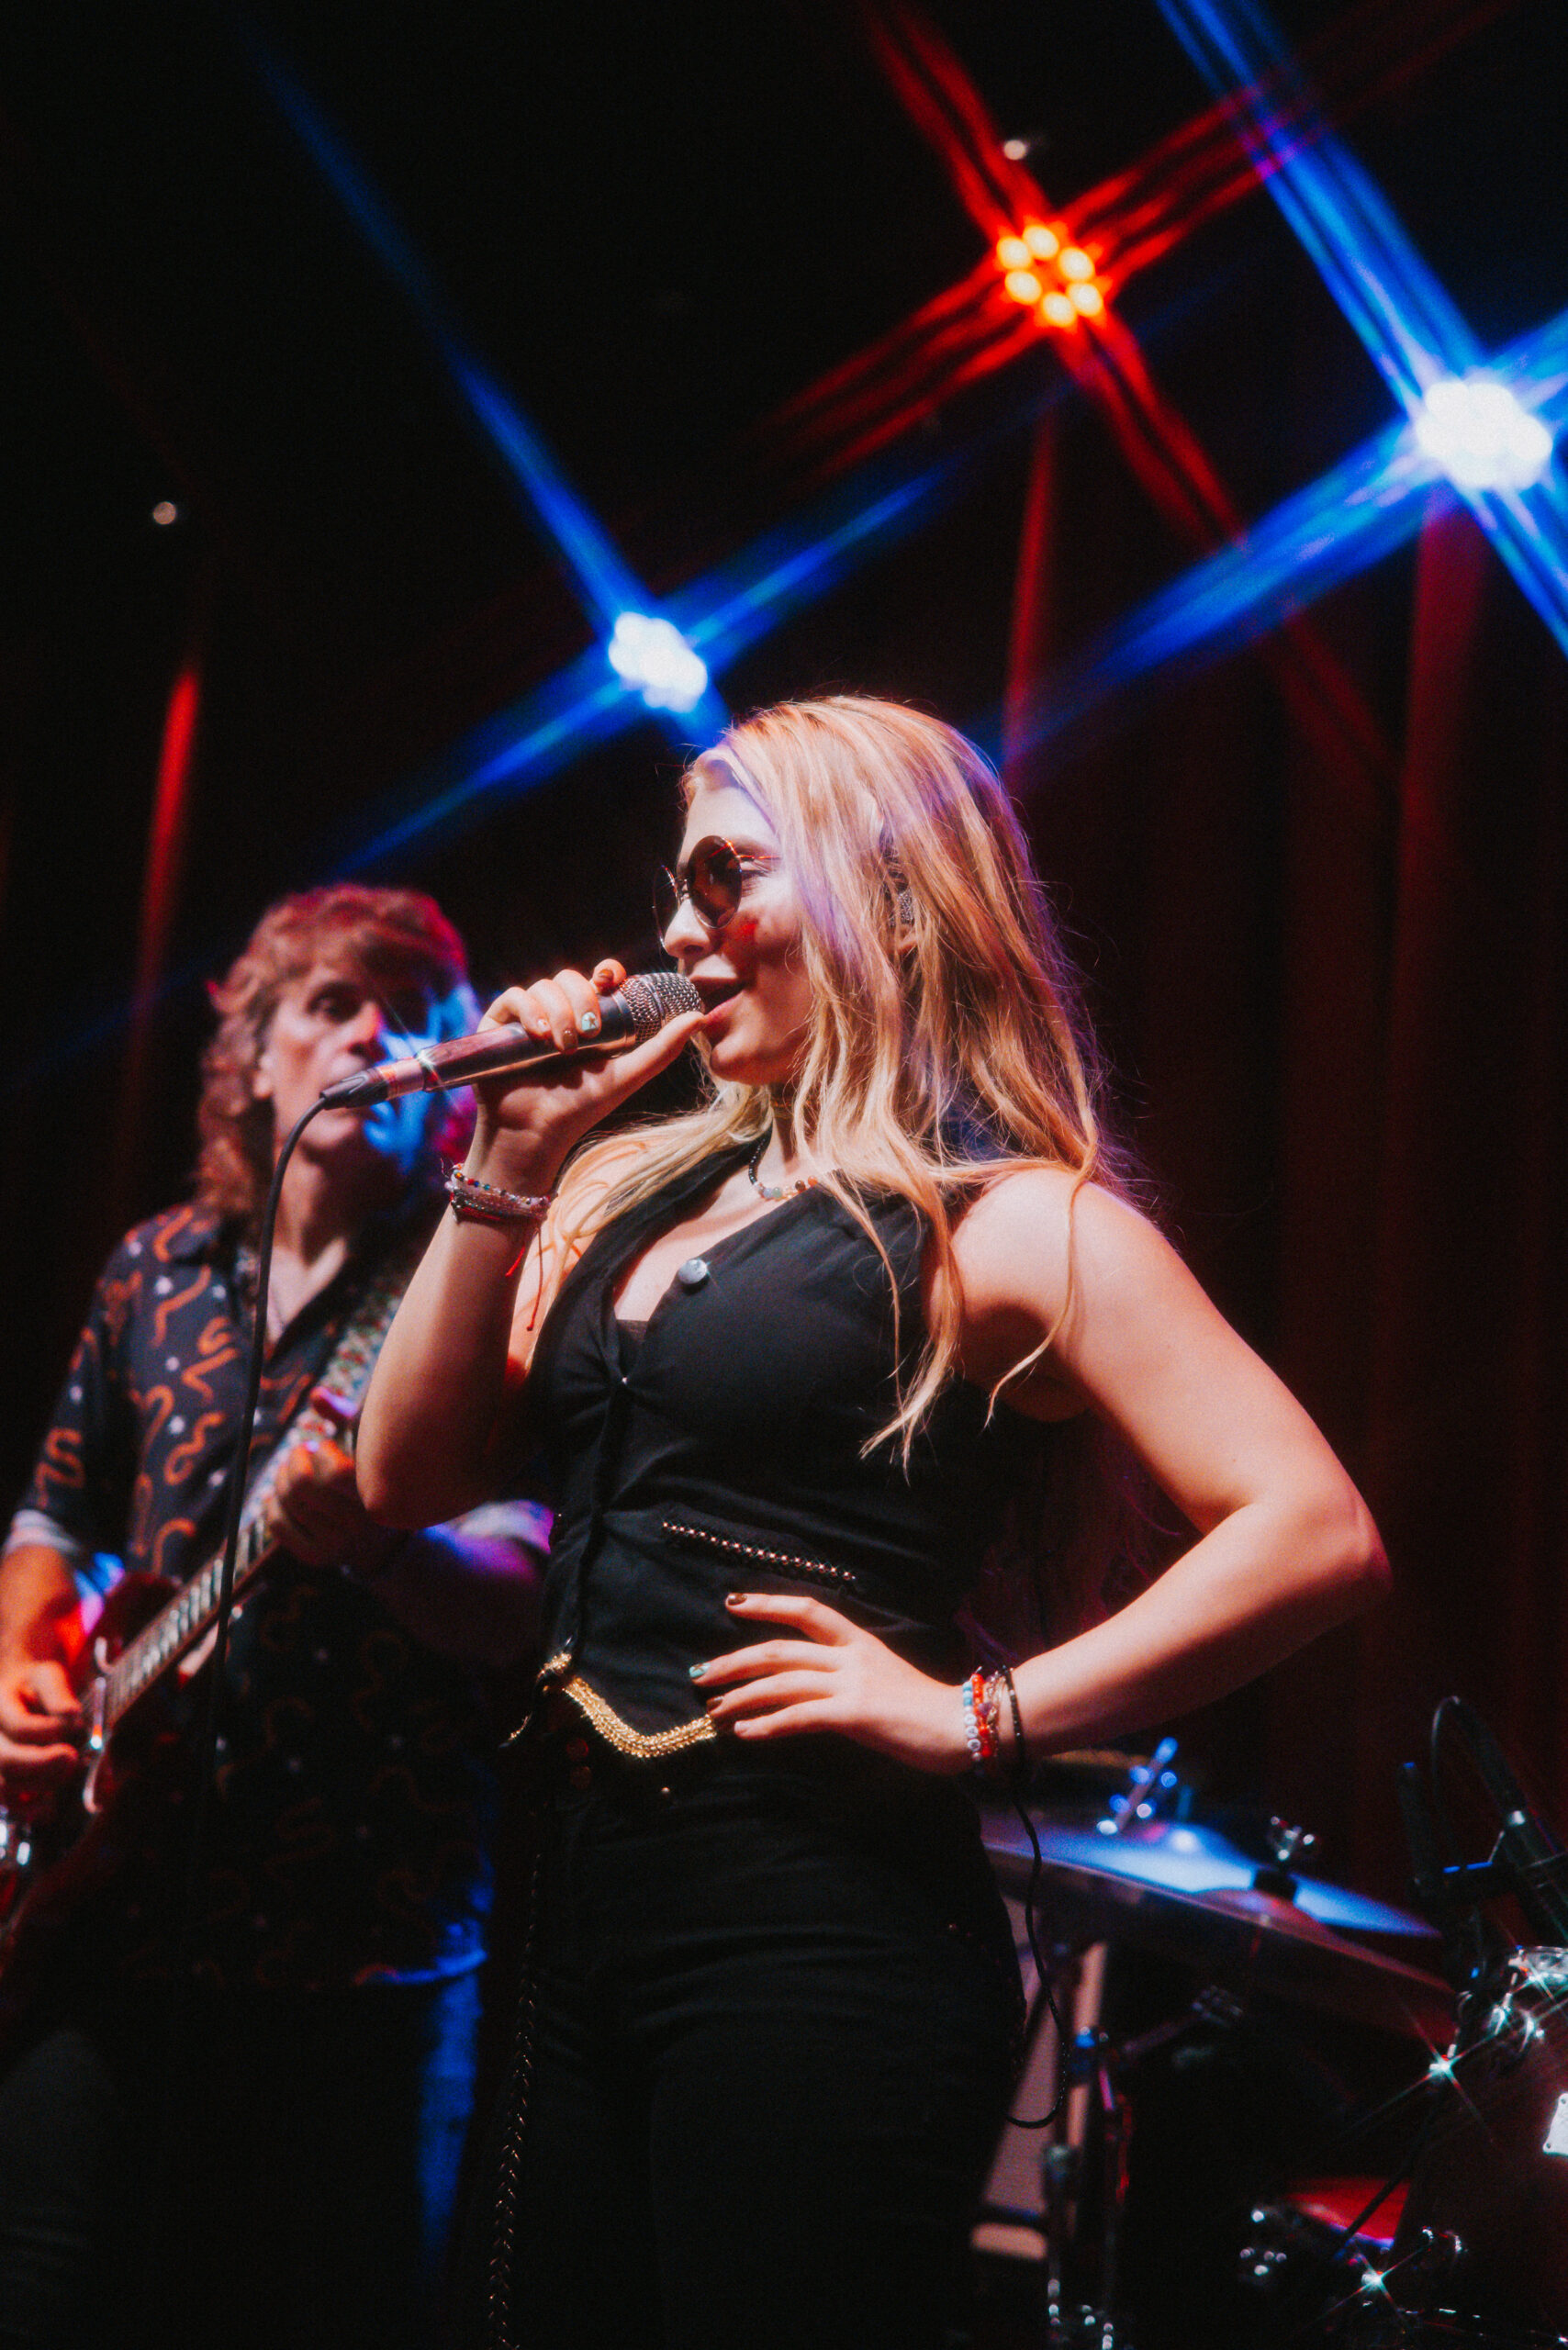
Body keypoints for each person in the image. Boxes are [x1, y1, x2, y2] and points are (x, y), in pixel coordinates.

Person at [356, 697, 1389, 2350]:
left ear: (893, 903)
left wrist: (973, 1715)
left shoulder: (1007, 1218)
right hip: (562, 1916)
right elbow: (400, 1485)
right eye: (677, 889)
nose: (678, 932)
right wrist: (513, 1153)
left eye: (727, 879)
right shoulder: (622, 1188)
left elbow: (1313, 1529)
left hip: (815, 1930)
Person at [0, 886, 546, 2350]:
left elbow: (517, 1597)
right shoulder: (152, 1268)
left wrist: (379, 1553)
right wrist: (22, 1670)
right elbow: (49, 1521)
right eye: (333, 1003)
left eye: (415, 1013)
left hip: (362, 1954)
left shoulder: (476, 1286)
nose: (376, 1032)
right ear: (251, 1055)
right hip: (110, 1921)